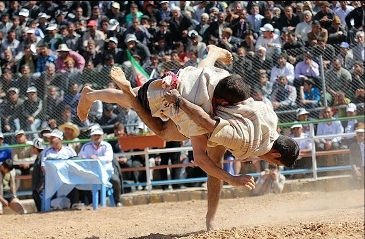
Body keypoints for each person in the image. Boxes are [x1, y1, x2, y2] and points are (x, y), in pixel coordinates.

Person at [77, 45, 300, 231]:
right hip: (185, 101)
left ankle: (212, 53)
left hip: (210, 85)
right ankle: (94, 94)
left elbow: (205, 85)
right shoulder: (242, 138)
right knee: (158, 126)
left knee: (202, 78)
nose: (272, 165)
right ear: (276, 154)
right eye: (275, 162)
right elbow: (202, 144)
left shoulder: (270, 117)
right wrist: (232, 179)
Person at [78, 126, 123, 207]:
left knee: (115, 180)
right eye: (94, 135)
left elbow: (109, 158)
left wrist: (97, 158)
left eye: (98, 135)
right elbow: (80, 157)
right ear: (91, 136)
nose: (96, 137)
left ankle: (118, 201)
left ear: (102, 136)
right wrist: (87, 158)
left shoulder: (107, 146)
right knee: (80, 181)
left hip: (106, 173)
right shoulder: (86, 146)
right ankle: (90, 202)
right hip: (91, 172)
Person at [31, 137, 45, 212]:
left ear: (35, 148)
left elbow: (43, 174)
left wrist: (39, 187)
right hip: (38, 186)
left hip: (40, 187)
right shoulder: (40, 156)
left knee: (41, 207)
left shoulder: (41, 157)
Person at [349, 123, 364, 188]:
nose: (360, 135)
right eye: (358, 133)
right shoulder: (352, 147)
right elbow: (352, 161)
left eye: (362, 133)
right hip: (359, 168)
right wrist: (355, 169)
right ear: (356, 135)